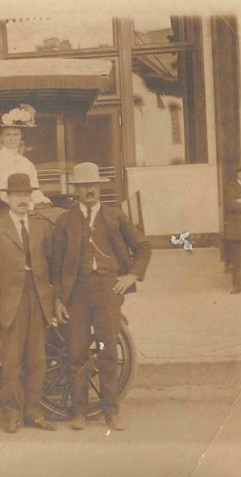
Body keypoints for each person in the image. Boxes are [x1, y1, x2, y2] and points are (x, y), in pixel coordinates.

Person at [52, 162, 152, 431]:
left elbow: (143, 246)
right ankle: (80, 412)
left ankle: (111, 412)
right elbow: (56, 265)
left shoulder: (114, 216)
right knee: (77, 353)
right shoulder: (64, 221)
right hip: (77, 295)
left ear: (100, 188)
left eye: (93, 186)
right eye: (84, 187)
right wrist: (59, 300)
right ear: (77, 191)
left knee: (108, 351)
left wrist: (131, 276)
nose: (89, 191)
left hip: (108, 290)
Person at [0, 174, 57, 433]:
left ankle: (33, 411)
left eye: (27, 195)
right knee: (11, 359)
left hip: (38, 299)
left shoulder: (43, 227)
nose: (23, 200)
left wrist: (55, 300)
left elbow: (53, 267)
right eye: (17, 195)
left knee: (37, 359)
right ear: (8, 198)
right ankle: (12, 413)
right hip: (9, 302)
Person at [0, 104, 52, 214]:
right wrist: (29, 206)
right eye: (8, 135)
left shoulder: (26, 163)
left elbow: (35, 190)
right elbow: (3, 193)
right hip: (8, 209)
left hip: (30, 207)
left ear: (21, 136)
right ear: (1, 137)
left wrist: (43, 202)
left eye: (16, 134)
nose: (12, 138)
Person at [223, 168, 241, 294]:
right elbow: (231, 205)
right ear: (238, 174)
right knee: (237, 260)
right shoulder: (231, 187)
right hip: (237, 230)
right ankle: (236, 286)